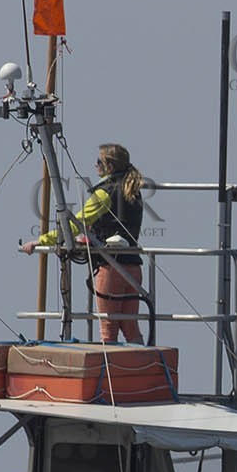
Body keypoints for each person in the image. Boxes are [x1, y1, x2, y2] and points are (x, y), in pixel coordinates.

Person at [20, 142, 147, 344]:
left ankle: (110, 373)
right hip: (133, 267)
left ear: (110, 166)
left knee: (108, 328)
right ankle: (143, 369)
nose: (95, 165)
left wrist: (41, 241)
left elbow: (75, 224)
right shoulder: (131, 189)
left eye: (99, 161)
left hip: (111, 268)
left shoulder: (105, 193)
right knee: (130, 327)